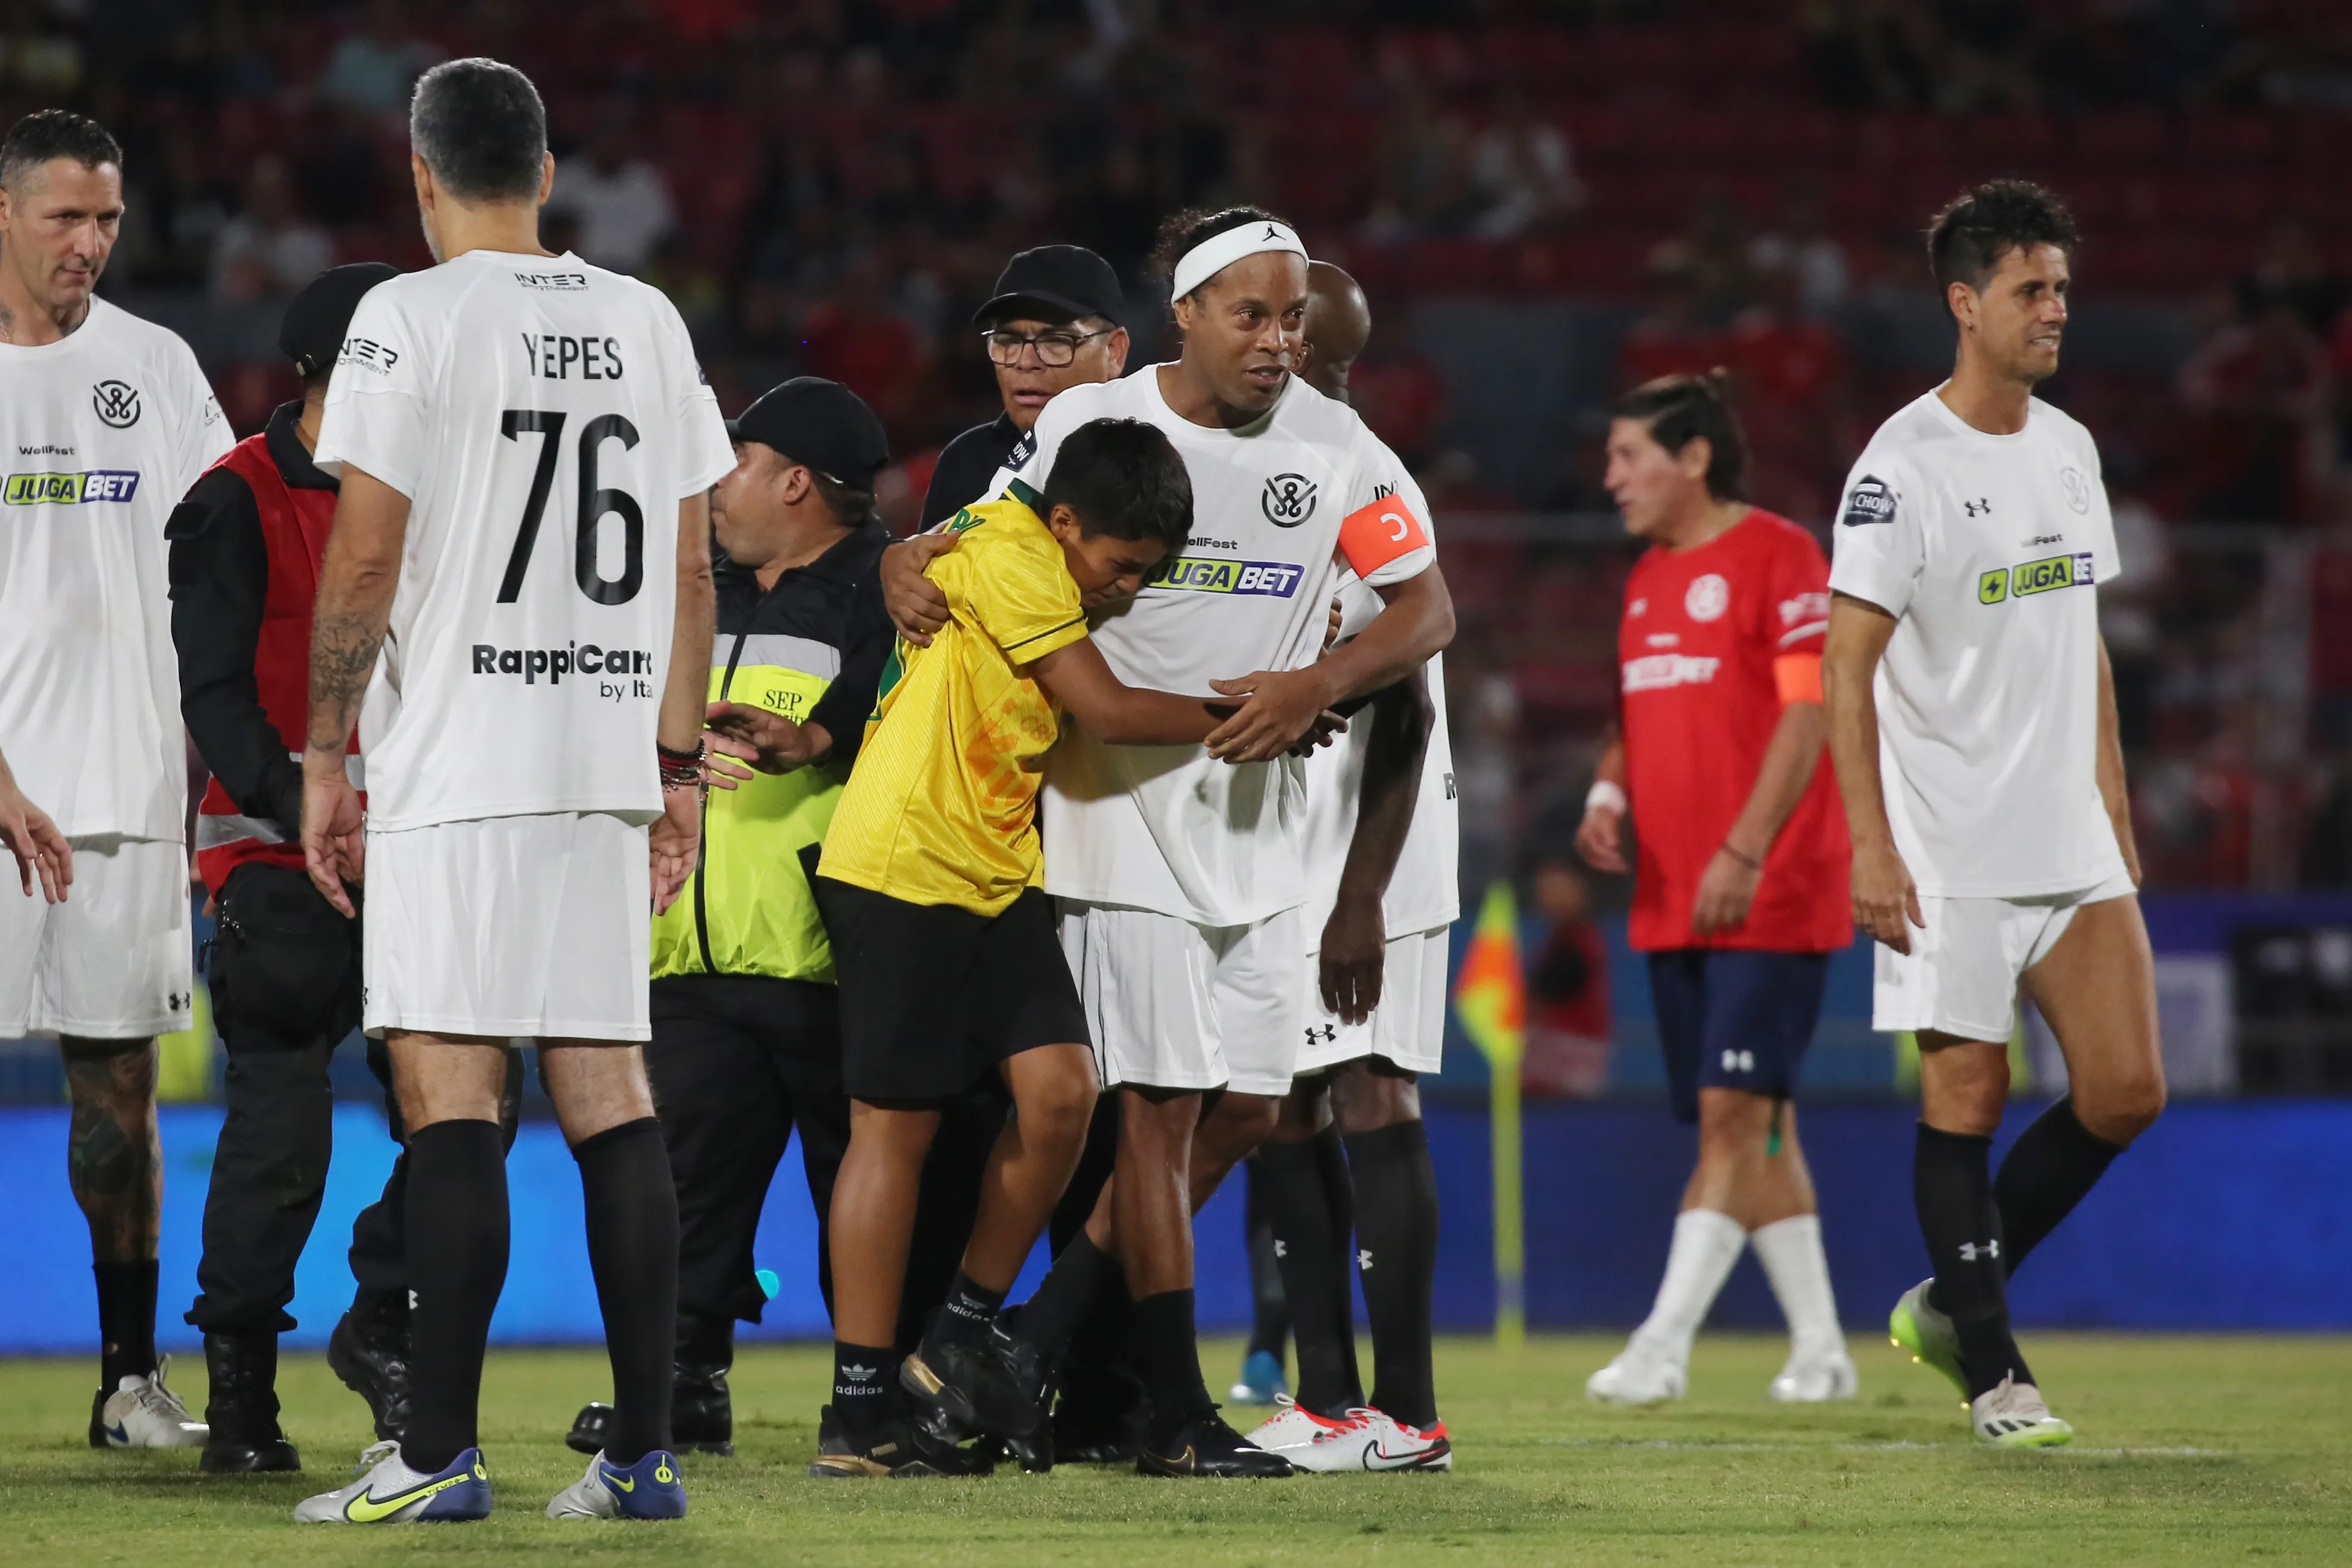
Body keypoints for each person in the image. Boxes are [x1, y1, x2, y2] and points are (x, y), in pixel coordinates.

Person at [884, 207, 1455, 1477]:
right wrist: (896, 564)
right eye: (1250, 314)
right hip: (1115, 816)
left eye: (1293, 316)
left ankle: (1027, 1343)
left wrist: (1319, 682)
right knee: (1158, 1114)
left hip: (1265, 831)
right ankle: (1176, 1414)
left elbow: (1427, 610)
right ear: (1184, 317)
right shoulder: (1095, 427)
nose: (1277, 340)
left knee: (1249, 1108)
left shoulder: (1341, 446)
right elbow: (967, 546)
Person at [290, 58, 735, 1523]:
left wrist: (326, 751)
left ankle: (435, 1459)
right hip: (603, 764)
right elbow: (688, 565)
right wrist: (675, 772)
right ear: (548, 176)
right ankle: (644, 1457)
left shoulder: (406, 318)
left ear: (421, 180)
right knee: (610, 1088)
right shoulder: (647, 318)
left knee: (448, 1087)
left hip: (459, 763)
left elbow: (361, 560)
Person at [810, 417, 1306, 1477]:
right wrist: (1260, 709)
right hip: (900, 862)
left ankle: (957, 1341)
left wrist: (907, 549)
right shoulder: (1010, 556)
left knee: (1064, 1095)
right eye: (1122, 569)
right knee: (891, 1132)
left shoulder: (1000, 539)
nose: (1126, 591)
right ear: (1068, 519)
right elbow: (1109, 710)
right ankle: (858, 1403)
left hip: (993, 868)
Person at [1822, 180, 2166, 1449]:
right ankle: (1997, 1372)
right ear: (1965, 304)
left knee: (2127, 1091)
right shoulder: (1898, 468)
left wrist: (2116, 812)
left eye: (2062, 287)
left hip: (2068, 833)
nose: (2055, 308)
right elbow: (1843, 669)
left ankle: (1951, 1296)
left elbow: (2087, 649)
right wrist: (1869, 841)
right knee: (1966, 1095)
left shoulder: (2069, 450)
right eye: (2032, 289)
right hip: (1947, 844)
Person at [562, 376, 932, 1461]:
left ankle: (885, 1385)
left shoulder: (888, 590)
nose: (712, 483)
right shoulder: (686, 585)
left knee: (861, 1181)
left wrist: (817, 736)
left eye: (734, 460)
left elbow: (912, 723)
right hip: (685, 947)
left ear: (796, 483)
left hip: (835, 951)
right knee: (685, 1181)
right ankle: (683, 1383)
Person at [171, 261, 475, 1473]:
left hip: (426, 851)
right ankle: (242, 1396)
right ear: (330, 374)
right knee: (280, 1137)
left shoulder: (440, 493)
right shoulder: (232, 500)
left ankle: (379, 1314)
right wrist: (309, 801)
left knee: (469, 1116)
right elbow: (215, 698)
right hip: (277, 863)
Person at [0, 108, 231, 1452]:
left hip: (121, 799)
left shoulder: (156, 366)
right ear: (7, 214)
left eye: (108, 223)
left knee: (119, 1095)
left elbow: (220, 563)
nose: (89, 245)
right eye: (64, 220)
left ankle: (129, 1378)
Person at [1573, 370, 1856, 1408]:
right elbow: (1629, 713)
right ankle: (1823, 1347)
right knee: (1753, 1125)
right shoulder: (1646, 578)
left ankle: (1662, 1346)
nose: (1613, 479)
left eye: (1628, 457)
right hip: (1672, 895)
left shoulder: (1782, 555)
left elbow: (1806, 709)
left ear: (1693, 458)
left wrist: (1743, 853)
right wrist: (1609, 786)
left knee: (1736, 1115)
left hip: (1768, 891)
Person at [1239, 260, 1458, 1473]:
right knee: (1280, 1103)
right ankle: (1325, 1402)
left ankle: (1410, 1411)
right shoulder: (1257, 464)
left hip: (1377, 838)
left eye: (1293, 333)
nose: (1276, 349)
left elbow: (1414, 693)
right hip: (1285, 828)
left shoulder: (1359, 470)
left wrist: (1362, 897)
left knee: (1373, 1085)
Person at [920, 244, 1128, 528]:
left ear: (1114, 352)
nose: (1026, 362)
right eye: (1008, 341)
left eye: (1056, 341)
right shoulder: (965, 459)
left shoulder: (1161, 461)